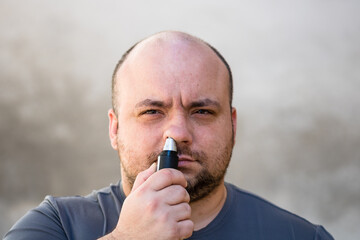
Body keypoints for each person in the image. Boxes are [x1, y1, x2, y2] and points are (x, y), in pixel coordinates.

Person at [4, 31, 334, 240]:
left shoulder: (300, 236)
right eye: (152, 112)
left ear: (233, 126)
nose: (177, 132)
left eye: (202, 111)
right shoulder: (57, 226)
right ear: (114, 128)